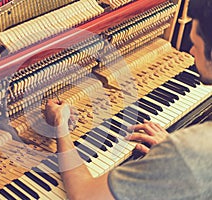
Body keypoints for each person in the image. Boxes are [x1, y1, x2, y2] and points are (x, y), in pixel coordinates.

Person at [44, 0, 212, 199]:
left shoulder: (197, 148)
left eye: (195, 44)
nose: (191, 51)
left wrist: (60, 127)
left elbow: (85, 196)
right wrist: (177, 156)